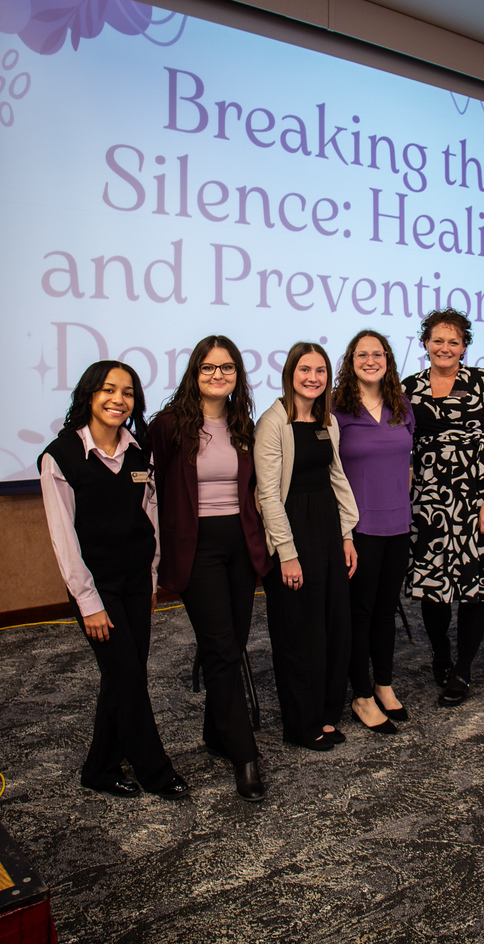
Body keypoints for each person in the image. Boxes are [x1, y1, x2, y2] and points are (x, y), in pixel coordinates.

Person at [39, 361, 189, 799]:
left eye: (127, 392)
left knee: (124, 676)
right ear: (89, 394)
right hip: (97, 587)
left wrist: (152, 577)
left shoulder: (140, 452)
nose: (118, 399)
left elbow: (150, 518)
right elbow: (63, 539)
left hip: (137, 581)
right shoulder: (61, 456)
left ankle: (100, 768)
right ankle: (156, 770)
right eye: (108, 389)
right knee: (127, 676)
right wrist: (88, 602)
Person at [148, 336, 272, 802]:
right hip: (195, 548)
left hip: (241, 543)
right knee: (220, 647)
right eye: (208, 367)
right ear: (194, 373)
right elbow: (155, 491)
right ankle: (245, 754)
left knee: (232, 643)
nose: (217, 375)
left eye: (227, 367)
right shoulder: (168, 426)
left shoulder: (244, 425)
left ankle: (216, 733)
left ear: (237, 375)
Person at [403, 309, 484, 706]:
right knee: (432, 590)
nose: (445, 347)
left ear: (464, 346)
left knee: (473, 589)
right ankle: (441, 654)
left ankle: (463, 670)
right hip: (428, 503)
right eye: (438, 340)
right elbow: (399, 446)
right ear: (426, 344)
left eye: (453, 341)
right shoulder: (408, 389)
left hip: (476, 502)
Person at [254, 342, 359, 751]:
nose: (313, 378)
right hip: (292, 531)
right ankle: (301, 724)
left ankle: (326, 714)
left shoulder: (326, 420)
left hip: (328, 528)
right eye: (305, 369)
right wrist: (287, 554)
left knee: (334, 627)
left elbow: (337, 477)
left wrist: (347, 534)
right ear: (290, 374)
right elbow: (267, 495)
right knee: (299, 633)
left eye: (320, 371)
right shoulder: (272, 422)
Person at [333, 330, 414, 733]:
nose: (370, 360)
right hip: (359, 529)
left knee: (386, 611)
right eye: (362, 354)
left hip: (398, 526)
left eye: (377, 354)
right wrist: (342, 532)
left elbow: (407, 464)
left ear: (387, 360)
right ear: (351, 362)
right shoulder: (336, 409)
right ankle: (361, 696)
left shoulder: (402, 405)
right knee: (360, 614)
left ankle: (384, 684)